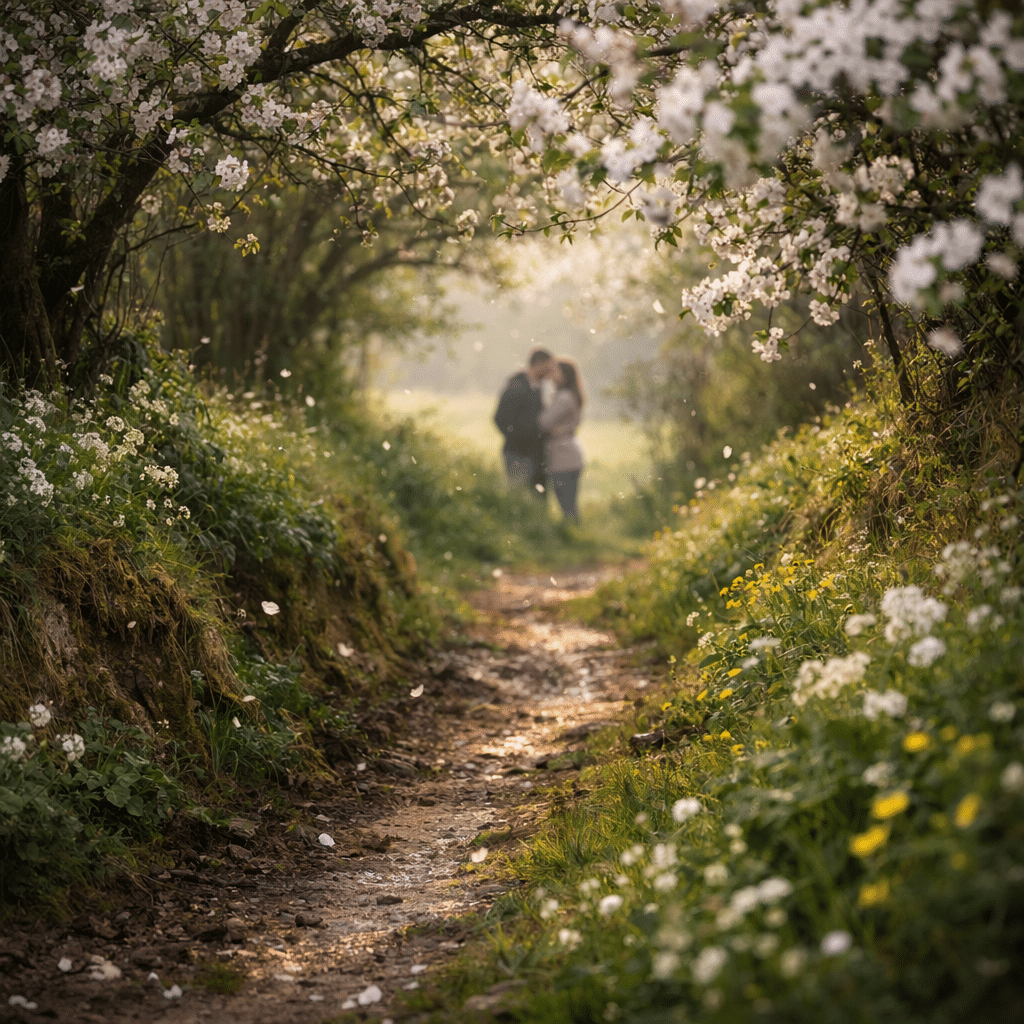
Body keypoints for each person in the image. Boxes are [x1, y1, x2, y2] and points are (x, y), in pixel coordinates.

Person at [493, 347, 553, 496]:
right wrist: (520, 438)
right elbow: (500, 418)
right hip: (518, 453)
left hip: (535, 454)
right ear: (538, 363)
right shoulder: (517, 386)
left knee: (536, 497)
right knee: (519, 497)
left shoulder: (536, 387)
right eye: (547, 368)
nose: (549, 373)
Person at [538, 357, 585, 523]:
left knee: (567, 507)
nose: (551, 375)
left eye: (555, 371)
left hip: (563, 458)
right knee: (569, 506)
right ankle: (576, 537)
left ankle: (575, 539)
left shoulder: (564, 397)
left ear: (565, 375)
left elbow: (543, 422)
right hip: (569, 455)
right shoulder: (569, 395)